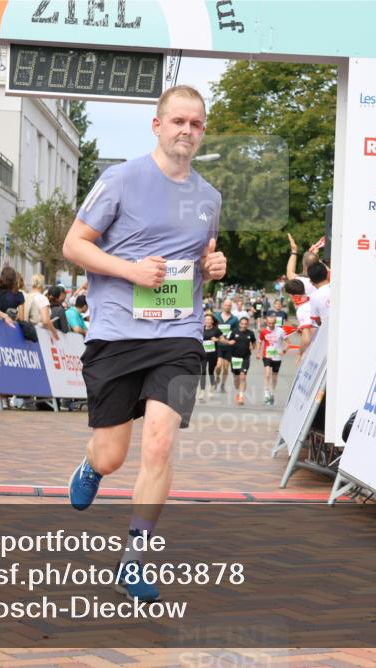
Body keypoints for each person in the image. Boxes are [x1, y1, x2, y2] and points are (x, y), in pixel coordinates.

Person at [62, 84, 225, 602]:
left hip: (179, 334)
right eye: (178, 121)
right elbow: (74, 245)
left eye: (196, 124)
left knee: (159, 442)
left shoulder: (209, 198)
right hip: (117, 331)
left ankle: (135, 557)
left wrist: (214, 269)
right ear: (158, 125)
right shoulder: (121, 179)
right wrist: (131, 270)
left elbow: (202, 262)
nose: (187, 131)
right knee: (113, 455)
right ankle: (92, 466)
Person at [225, 316, 256, 405]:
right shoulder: (234, 332)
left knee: (243, 376)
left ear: (247, 324)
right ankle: (239, 391)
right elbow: (228, 341)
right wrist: (229, 342)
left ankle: (241, 397)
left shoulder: (250, 333)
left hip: (245, 358)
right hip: (235, 358)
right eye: (242, 324)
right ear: (239, 324)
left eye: (245, 324)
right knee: (236, 379)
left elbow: (254, 343)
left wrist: (252, 347)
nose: (244, 325)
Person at [258, 310, 287, 405]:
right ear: (266, 322)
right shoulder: (263, 331)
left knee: (274, 377)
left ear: (275, 322)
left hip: (277, 357)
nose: (271, 325)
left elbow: (288, 343)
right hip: (267, 355)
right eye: (269, 323)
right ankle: (266, 394)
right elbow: (259, 341)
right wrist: (258, 352)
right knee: (267, 374)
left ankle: (272, 393)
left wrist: (284, 351)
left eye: (272, 323)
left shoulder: (281, 331)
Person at [213, 298, 239, 394]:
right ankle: (217, 377)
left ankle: (223, 384)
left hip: (228, 346)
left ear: (231, 307)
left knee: (226, 367)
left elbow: (236, 332)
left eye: (229, 305)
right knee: (218, 366)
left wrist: (234, 342)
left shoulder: (234, 319)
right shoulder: (216, 316)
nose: (227, 307)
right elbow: (212, 327)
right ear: (223, 305)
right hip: (218, 345)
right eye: (226, 305)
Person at [284, 278, 315, 357]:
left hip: (316, 348)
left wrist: (299, 353)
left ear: (291, 295)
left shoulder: (302, 309)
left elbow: (306, 339)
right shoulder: (313, 298)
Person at [199, 312, 223, 401]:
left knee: (211, 371)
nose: (207, 321)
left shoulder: (216, 330)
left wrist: (217, 339)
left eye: (209, 320)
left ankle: (212, 388)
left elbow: (222, 340)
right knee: (203, 371)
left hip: (213, 354)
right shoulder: (201, 329)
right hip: (203, 354)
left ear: (212, 321)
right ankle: (202, 391)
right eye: (206, 320)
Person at [28, 273, 60, 340]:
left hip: (28, 330)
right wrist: (54, 331)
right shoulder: (42, 298)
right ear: (42, 284)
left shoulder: (27, 296)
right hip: (39, 333)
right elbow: (45, 320)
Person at [307, 261, 330, 327]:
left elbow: (316, 318)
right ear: (327, 274)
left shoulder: (314, 296)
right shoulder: (338, 288)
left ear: (311, 280)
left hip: (327, 329)